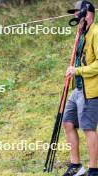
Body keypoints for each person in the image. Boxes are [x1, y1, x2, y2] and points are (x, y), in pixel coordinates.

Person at [62, 1, 98, 176]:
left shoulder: (97, 33)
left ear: (87, 13)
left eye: (77, 13)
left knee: (88, 128)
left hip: (91, 89)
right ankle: (76, 165)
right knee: (68, 123)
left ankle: (93, 169)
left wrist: (78, 70)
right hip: (78, 88)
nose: (75, 16)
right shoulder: (81, 33)